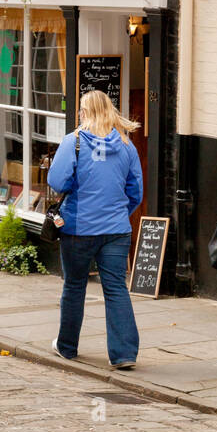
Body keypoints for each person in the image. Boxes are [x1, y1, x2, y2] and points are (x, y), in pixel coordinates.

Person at [47, 88, 144, 370]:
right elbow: (135, 191)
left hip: (78, 228)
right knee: (116, 288)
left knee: (74, 286)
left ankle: (67, 347)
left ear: (85, 112)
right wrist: (116, 214)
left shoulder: (73, 141)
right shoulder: (127, 145)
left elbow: (58, 182)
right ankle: (124, 354)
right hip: (116, 230)